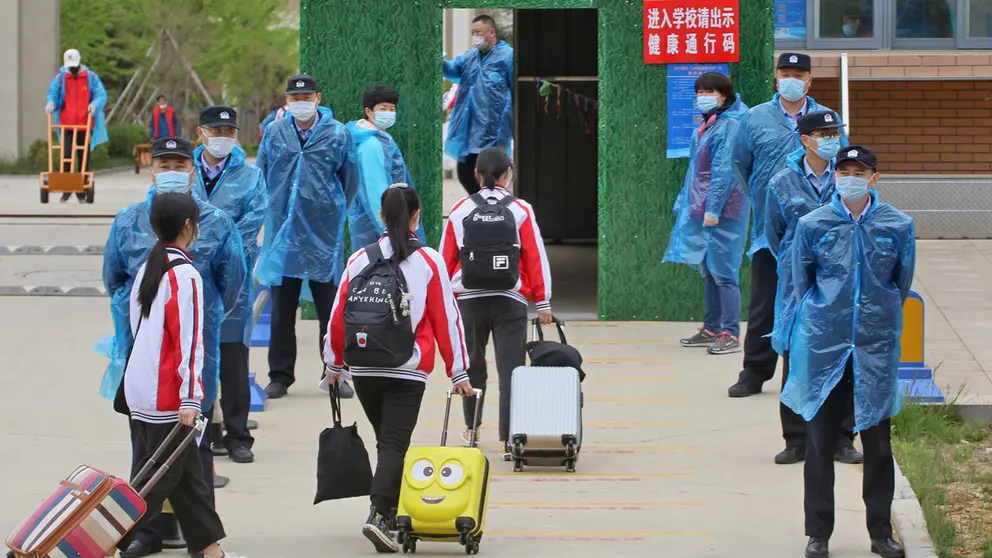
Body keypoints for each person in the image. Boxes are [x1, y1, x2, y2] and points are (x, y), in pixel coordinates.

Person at [101, 138, 246, 558]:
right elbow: (114, 279)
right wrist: (189, 394)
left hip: (172, 368)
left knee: (186, 463)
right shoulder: (132, 223)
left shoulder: (216, 223)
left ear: (192, 168)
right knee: (160, 465)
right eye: (164, 162)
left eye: (180, 162)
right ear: (151, 167)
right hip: (170, 376)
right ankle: (121, 535)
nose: (171, 169)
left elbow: (233, 280)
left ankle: (206, 545)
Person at [321, 184, 474, 553]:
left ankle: (388, 510)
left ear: (382, 216)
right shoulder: (428, 261)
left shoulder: (360, 258)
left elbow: (338, 316)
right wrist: (460, 372)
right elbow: (446, 319)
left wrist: (333, 363)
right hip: (406, 368)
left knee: (387, 441)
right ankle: (379, 513)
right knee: (394, 443)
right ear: (416, 216)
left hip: (363, 367)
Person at [784, 145, 913, 558]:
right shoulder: (813, 223)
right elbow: (802, 283)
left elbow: (901, 283)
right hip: (825, 346)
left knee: (878, 443)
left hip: (874, 347)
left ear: (874, 177)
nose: (849, 178)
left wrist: (874, 321)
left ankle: (881, 532)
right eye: (843, 171)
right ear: (835, 176)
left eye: (859, 171)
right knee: (819, 442)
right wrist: (827, 320)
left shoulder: (898, 225)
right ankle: (818, 532)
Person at [727, 52, 848, 402]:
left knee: (817, 302)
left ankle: (815, 370)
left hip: (821, 234)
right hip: (771, 232)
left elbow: (840, 165)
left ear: (810, 79)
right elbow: (741, 165)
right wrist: (770, 202)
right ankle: (754, 371)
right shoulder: (754, 118)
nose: (792, 78)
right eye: (785, 72)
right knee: (765, 302)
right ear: (776, 76)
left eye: (799, 73)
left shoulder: (826, 118)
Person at [763, 110, 863, 466]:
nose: (832, 139)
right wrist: (796, 262)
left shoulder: (849, 176)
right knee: (798, 356)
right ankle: (796, 439)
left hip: (844, 278)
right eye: (823, 133)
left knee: (845, 356)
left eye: (835, 132)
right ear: (805, 140)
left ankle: (842, 438)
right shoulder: (782, 181)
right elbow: (774, 233)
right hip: (799, 283)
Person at [255, 74, 361, 400]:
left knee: (330, 310)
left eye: (306, 96)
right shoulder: (274, 133)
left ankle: (335, 374)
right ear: (287, 101)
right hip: (283, 236)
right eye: (293, 97)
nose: (300, 102)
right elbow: (261, 174)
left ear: (318, 97)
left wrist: (331, 211)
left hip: (322, 236)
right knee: (282, 310)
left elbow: (350, 179)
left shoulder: (338, 134)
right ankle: (280, 376)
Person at [440, 147, 553, 451]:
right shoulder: (520, 209)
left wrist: (444, 301)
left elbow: (444, 261)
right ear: (509, 173)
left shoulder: (461, 209)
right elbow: (535, 256)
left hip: (468, 301)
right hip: (510, 299)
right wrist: (542, 302)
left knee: (472, 367)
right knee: (511, 369)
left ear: (476, 175)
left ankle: (471, 430)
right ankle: (510, 436)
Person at [192, 106, 268, 465]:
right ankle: (205, 433)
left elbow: (251, 225)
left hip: (232, 280)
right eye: (216, 130)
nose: (223, 136)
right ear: (201, 132)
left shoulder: (250, 177)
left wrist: (213, 248)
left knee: (234, 359)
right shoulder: (182, 174)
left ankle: (239, 434)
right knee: (195, 361)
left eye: (229, 131)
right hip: (191, 281)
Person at [664, 73, 749, 356]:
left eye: (708, 91)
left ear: (724, 94)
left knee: (724, 272)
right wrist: (688, 204)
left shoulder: (730, 125)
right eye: (699, 91)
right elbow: (694, 171)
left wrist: (713, 208)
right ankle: (712, 327)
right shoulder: (709, 124)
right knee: (709, 271)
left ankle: (731, 332)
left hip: (724, 208)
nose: (702, 96)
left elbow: (725, 171)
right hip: (704, 207)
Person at [346, 85, 426, 252]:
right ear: (368, 112)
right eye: (383, 109)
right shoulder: (371, 144)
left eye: (392, 108)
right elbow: (376, 192)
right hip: (377, 228)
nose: (389, 113)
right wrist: (391, 230)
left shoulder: (376, 137)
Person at [443, 14, 514, 195]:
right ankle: (480, 211)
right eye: (472, 32)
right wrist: (440, 62)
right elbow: (453, 71)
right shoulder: (469, 57)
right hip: (468, 129)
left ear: (491, 32)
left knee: (491, 178)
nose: (475, 36)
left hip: (494, 132)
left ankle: (492, 213)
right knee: (465, 173)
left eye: (479, 32)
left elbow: (516, 90)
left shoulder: (507, 57)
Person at [45, 48, 109, 203]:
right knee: (66, 155)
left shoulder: (90, 78)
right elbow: (53, 92)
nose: (72, 70)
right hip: (66, 124)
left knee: (84, 156)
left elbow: (101, 94)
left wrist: (94, 104)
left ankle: (82, 189)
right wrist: (51, 103)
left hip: (84, 124)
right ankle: (67, 190)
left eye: (74, 66)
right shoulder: (61, 78)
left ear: (79, 62)